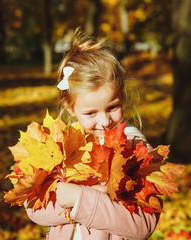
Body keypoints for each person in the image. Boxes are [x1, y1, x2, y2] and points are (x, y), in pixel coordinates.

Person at [25, 29, 160, 240]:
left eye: (112, 107)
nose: (105, 121)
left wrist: (81, 197)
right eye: (91, 113)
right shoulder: (61, 148)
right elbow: (33, 207)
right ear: (70, 109)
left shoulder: (136, 149)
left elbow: (144, 224)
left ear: (122, 97)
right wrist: (67, 198)